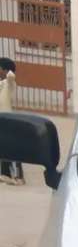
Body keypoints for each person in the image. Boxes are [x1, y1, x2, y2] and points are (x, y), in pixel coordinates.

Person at [0, 57, 23, 186]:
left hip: (9, 120)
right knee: (3, 147)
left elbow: (11, 77)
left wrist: (10, 72)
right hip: (2, 120)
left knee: (12, 148)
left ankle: (18, 177)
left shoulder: (10, 84)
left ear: (4, 70)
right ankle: (5, 174)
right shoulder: (1, 84)